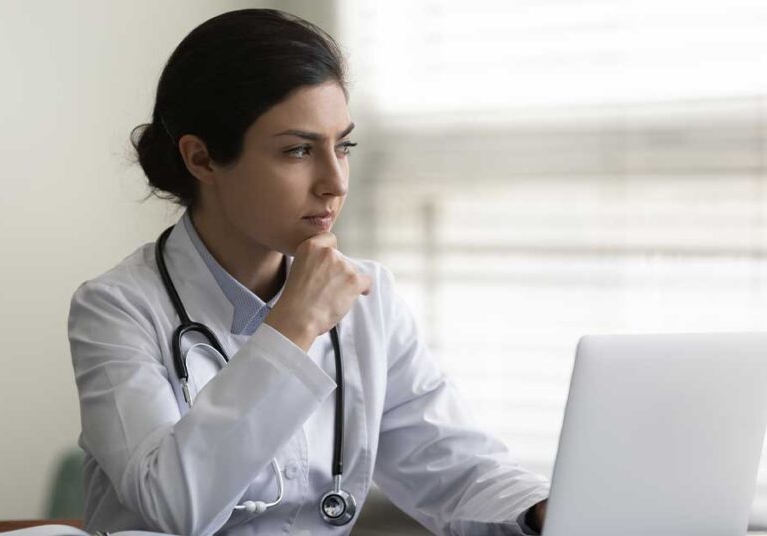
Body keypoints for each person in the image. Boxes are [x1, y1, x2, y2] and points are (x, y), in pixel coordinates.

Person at [67, 8, 549, 536]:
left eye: (342, 145)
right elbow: (173, 504)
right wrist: (293, 326)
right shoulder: (115, 308)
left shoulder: (369, 296)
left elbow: (453, 470)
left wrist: (540, 510)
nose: (335, 182)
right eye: (298, 150)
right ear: (202, 159)